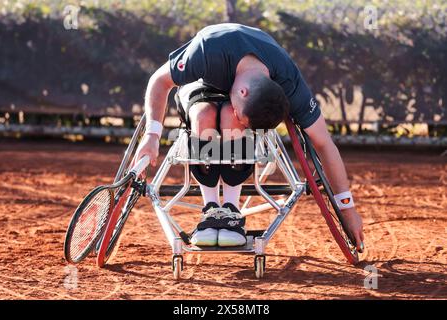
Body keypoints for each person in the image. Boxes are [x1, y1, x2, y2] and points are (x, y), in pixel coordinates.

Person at [135, 23, 364, 251]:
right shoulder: (207, 50)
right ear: (242, 93)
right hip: (202, 81)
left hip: (242, 83)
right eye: (244, 117)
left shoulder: (289, 82)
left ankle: (231, 213)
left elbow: (324, 142)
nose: (240, 119)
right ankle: (211, 208)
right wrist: (152, 135)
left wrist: (347, 208)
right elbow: (159, 81)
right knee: (205, 114)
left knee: (230, 116)